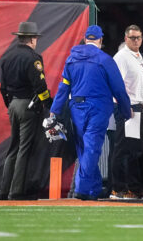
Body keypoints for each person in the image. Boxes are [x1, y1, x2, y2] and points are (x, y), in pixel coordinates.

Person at [48, 25, 132, 201]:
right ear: (100, 40)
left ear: (86, 39)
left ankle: (93, 189)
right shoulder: (105, 60)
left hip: (76, 108)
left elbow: (63, 88)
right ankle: (82, 189)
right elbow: (119, 89)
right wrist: (125, 110)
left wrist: (54, 111)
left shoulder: (71, 60)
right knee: (92, 148)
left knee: (85, 149)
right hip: (98, 108)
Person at [0, 21, 51, 200]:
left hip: (13, 104)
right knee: (24, 148)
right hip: (28, 106)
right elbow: (40, 87)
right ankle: (17, 191)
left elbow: (2, 88)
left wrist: (10, 105)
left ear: (19, 38)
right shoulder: (33, 58)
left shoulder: (7, 57)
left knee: (13, 148)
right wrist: (48, 104)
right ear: (33, 39)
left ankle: (3, 191)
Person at [110, 25, 143, 199]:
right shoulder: (122, 57)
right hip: (127, 107)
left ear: (142, 38)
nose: (136, 40)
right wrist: (126, 107)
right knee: (123, 148)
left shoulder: (138, 57)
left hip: (137, 107)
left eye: (138, 37)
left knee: (134, 151)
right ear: (125, 39)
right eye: (132, 38)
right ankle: (118, 189)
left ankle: (134, 190)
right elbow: (118, 85)